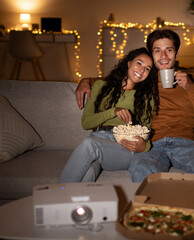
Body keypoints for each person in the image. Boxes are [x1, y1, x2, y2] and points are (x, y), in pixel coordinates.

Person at [75, 30, 194, 183]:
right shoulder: (143, 79)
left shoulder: (193, 81)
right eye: (157, 51)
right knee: (140, 169)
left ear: (176, 54)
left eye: (169, 50)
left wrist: (191, 88)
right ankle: (155, 207)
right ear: (152, 55)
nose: (164, 56)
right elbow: (113, 79)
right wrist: (85, 81)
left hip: (185, 142)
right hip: (152, 144)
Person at [59, 47, 159, 183]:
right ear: (129, 63)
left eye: (147, 68)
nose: (142, 70)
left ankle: (56, 194)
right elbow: (86, 123)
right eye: (139, 63)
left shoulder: (146, 98)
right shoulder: (101, 86)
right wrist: (113, 111)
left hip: (124, 148)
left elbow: (145, 134)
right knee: (87, 174)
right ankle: (73, 203)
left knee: (89, 145)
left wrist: (144, 147)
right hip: (98, 139)